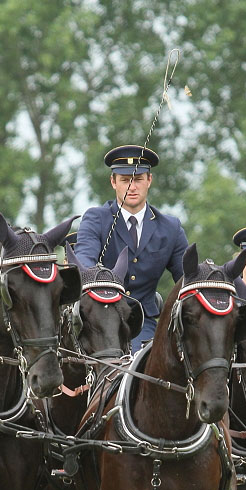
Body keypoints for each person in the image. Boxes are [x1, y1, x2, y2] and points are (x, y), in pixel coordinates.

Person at [75, 144, 188, 351]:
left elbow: (188, 279)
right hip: (98, 320)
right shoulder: (96, 219)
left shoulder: (170, 228)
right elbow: (84, 260)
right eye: (125, 180)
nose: (132, 187)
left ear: (149, 180)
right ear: (113, 182)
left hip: (144, 324)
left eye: (138, 179)